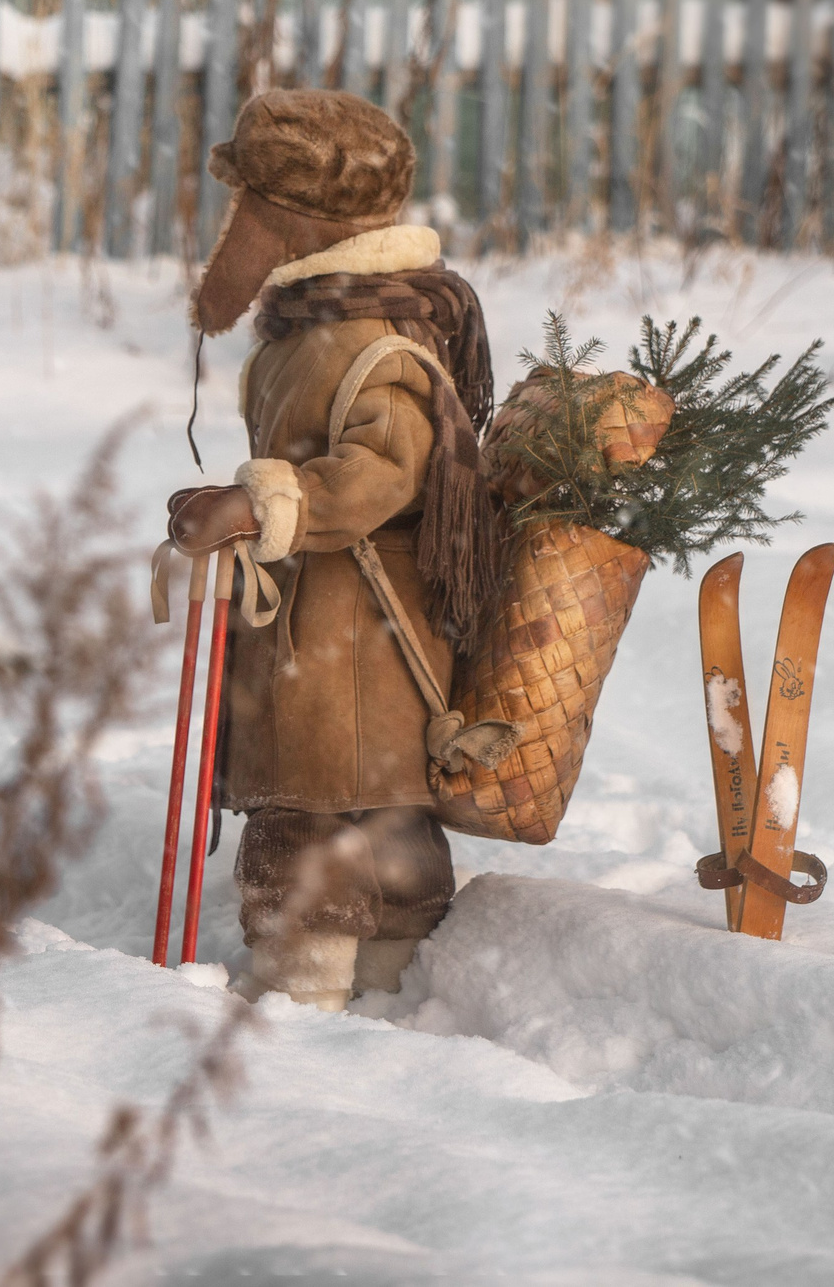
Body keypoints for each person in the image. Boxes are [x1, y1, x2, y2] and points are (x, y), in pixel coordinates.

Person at [165, 89, 501, 1010]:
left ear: (289, 222)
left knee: (321, 809)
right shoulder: (315, 322)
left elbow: (387, 465)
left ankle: (303, 1009)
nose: (234, 233)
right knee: (363, 800)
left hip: (356, 633)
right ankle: (381, 995)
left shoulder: (369, 331)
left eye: (252, 212)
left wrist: (261, 501)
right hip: (324, 628)